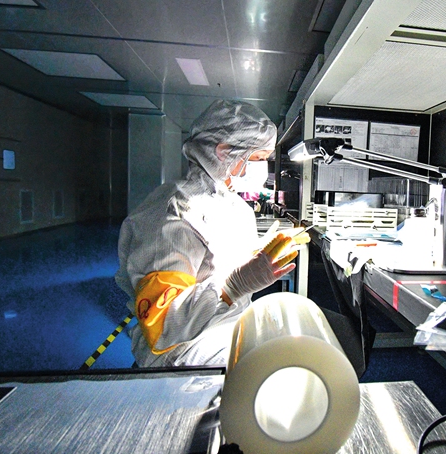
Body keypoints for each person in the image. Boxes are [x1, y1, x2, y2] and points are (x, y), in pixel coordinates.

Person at [115, 99, 306, 367]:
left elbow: (212, 262)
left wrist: (256, 254)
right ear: (224, 151)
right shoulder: (176, 212)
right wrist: (234, 285)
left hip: (220, 325)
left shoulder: (229, 203)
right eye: (257, 159)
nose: (263, 169)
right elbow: (162, 322)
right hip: (180, 351)